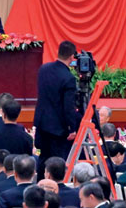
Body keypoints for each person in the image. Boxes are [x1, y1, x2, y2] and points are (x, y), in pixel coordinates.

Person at [33, 42, 80, 171]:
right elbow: (68, 107)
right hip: (57, 127)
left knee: (43, 157)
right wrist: (72, 128)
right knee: (56, 162)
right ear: (71, 57)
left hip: (42, 123)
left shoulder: (43, 69)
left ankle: (41, 186)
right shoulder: (68, 78)